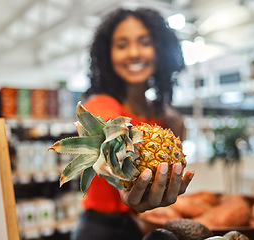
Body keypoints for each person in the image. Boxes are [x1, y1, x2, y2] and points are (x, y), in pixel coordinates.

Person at [73, 7, 195, 240]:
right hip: (100, 230)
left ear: (160, 51)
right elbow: (110, 135)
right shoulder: (99, 104)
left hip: (146, 227)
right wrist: (123, 181)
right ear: (107, 55)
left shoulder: (167, 119)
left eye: (144, 42)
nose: (134, 52)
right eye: (122, 45)